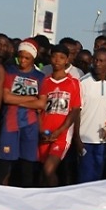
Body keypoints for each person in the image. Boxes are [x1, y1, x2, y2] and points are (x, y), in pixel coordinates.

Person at [0, 39, 48, 184]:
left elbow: (42, 103)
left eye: (27, 58)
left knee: (27, 168)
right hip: (10, 124)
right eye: (21, 56)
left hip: (30, 125)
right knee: (4, 166)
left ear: (33, 58)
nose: (23, 60)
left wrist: (17, 99)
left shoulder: (40, 77)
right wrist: (31, 99)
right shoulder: (10, 71)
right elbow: (6, 98)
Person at [38, 44, 82, 184]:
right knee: (42, 173)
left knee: (49, 169)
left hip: (61, 135)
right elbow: (39, 109)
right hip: (45, 133)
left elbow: (75, 110)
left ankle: (55, 199)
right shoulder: (44, 82)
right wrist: (41, 131)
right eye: (54, 57)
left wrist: (60, 131)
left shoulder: (73, 83)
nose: (57, 60)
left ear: (67, 60)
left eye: (61, 58)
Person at [75, 45, 106, 183]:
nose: (98, 64)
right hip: (85, 139)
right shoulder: (83, 82)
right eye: (96, 60)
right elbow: (76, 111)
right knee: (84, 179)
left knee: (97, 179)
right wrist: (76, 138)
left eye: (102, 61)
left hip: (102, 140)